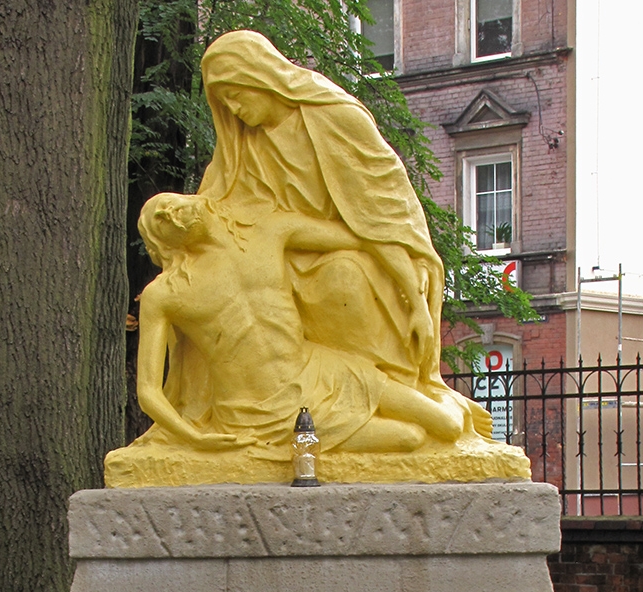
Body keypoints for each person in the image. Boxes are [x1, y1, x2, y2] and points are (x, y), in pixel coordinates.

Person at [196, 29, 490, 438]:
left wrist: (416, 302)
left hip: (350, 249)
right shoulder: (240, 146)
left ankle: (388, 402)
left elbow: (383, 217)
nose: (232, 107)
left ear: (261, 77)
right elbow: (209, 209)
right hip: (276, 256)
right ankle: (266, 407)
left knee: (343, 277)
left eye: (236, 92)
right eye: (221, 99)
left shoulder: (335, 117)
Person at [134, 192, 469, 458]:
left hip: (323, 370)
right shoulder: (164, 294)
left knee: (449, 425)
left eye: (168, 205)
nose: (170, 215)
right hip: (262, 411)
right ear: (162, 244)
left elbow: (361, 237)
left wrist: (415, 293)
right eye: (159, 221)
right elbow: (148, 390)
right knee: (409, 438)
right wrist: (194, 437)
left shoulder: (269, 231)